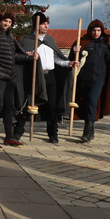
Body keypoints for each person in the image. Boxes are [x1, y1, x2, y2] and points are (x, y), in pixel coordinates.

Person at [15, 12, 75, 143]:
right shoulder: (28, 40)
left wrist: (68, 63)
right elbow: (21, 57)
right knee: (29, 104)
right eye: (43, 23)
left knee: (52, 106)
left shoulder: (50, 40)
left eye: (47, 23)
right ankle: (18, 131)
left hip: (50, 76)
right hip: (35, 77)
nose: (46, 26)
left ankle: (53, 133)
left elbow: (56, 59)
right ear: (36, 25)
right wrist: (28, 55)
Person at [70, 20, 110, 143]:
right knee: (85, 102)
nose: (96, 33)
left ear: (102, 31)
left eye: (99, 30)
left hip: (98, 78)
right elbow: (72, 60)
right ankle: (90, 128)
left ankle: (87, 129)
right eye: (94, 30)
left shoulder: (103, 44)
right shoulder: (81, 42)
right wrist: (74, 51)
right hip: (83, 77)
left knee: (92, 100)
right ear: (90, 31)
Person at [0, 10, 33, 149]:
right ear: (0, 20)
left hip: (10, 76)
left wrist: (29, 57)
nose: (7, 24)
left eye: (9, 22)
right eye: (5, 21)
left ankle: (9, 137)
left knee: (9, 106)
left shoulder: (10, 38)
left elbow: (14, 56)